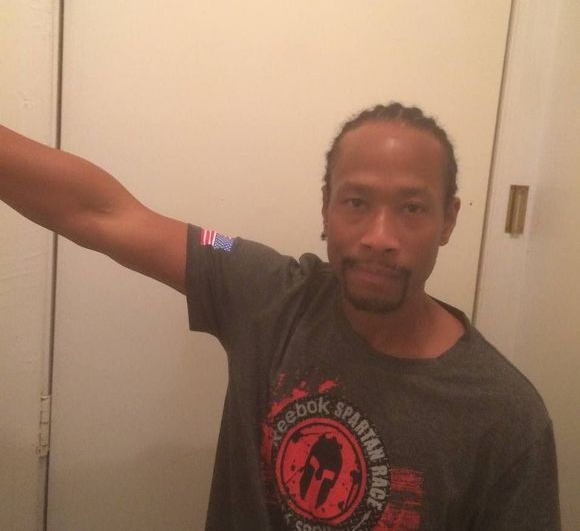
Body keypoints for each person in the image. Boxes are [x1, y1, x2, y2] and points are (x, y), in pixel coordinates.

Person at [0, 102, 561, 530]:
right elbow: (105, 214)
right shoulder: (268, 294)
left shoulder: (505, 415)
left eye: (411, 208)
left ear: (448, 220)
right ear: (326, 209)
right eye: (356, 203)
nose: (379, 236)